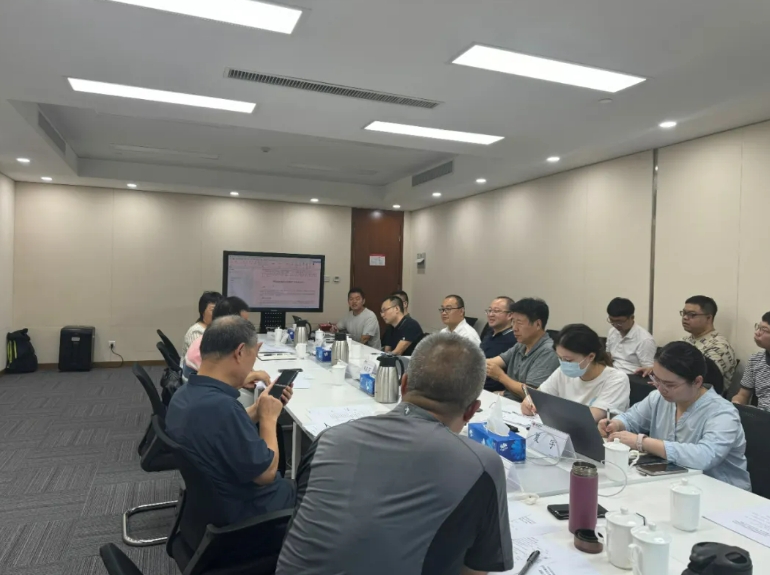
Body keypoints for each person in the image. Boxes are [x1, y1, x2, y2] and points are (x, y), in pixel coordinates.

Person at [276, 333, 513, 575]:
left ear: (403, 384)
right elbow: (475, 570)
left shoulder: (329, 439)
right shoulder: (482, 465)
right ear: (472, 410)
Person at [166, 316, 297, 524]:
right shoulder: (222, 408)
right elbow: (267, 474)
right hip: (249, 515)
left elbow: (220, 431)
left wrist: (258, 409)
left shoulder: (184, 395)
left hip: (212, 507)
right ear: (240, 352)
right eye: (253, 357)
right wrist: (268, 418)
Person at [600, 341, 750, 490]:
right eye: (656, 379)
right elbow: (631, 418)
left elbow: (705, 456)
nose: (661, 388)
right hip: (673, 482)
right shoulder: (658, 398)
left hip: (722, 490)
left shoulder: (722, 412)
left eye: (670, 385)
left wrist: (642, 442)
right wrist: (616, 424)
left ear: (697, 382)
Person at [522, 323, 629, 421]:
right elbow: (538, 396)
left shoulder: (616, 380)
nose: (563, 363)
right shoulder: (562, 372)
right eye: (560, 358)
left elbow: (589, 419)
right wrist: (529, 402)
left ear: (591, 356)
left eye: (568, 360)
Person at [185, 296, 271, 406]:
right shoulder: (208, 348)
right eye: (243, 323)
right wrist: (251, 376)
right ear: (227, 321)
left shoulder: (212, 339)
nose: (247, 329)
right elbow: (220, 383)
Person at [485, 298, 560, 399]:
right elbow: (493, 362)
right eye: (513, 322)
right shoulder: (521, 345)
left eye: (519, 323)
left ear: (538, 324)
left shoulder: (548, 351)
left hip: (526, 406)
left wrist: (500, 376)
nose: (514, 328)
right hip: (508, 400)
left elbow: (532, 394)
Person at [680, 295, 737, 384]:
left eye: (692, 314)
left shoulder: (719, 346)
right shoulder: (683, 340)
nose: (685, 317)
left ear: (708, 318)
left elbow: (705, 378)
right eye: (684, 313)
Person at [605, 297, 657, 375]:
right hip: (612, 372)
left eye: (619, 322)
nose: (615, 325)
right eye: (612, 321)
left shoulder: (645, 340)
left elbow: (648, 369)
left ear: (632, 317)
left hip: (631, 376)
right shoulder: (612, 331)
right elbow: (608, 355)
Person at [732, 312, 770, 411]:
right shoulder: (755, 359)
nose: (757, 332)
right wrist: (736, 403)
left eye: (764, 330)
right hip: (761, 416)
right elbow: (743, 395)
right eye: (758, 327)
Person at [480, 296, 517, 392]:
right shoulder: (489, 333)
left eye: (496, 311)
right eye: (489, 310)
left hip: (491, 390)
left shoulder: (514, 339)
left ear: (510, 315)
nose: (490, 314)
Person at [181, 291, 222, 355]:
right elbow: (199, 359)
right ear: (203, 311)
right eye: (213, 310)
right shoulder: (196, 332)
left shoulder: (215, 329)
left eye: (219, 310)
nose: (217, 313)